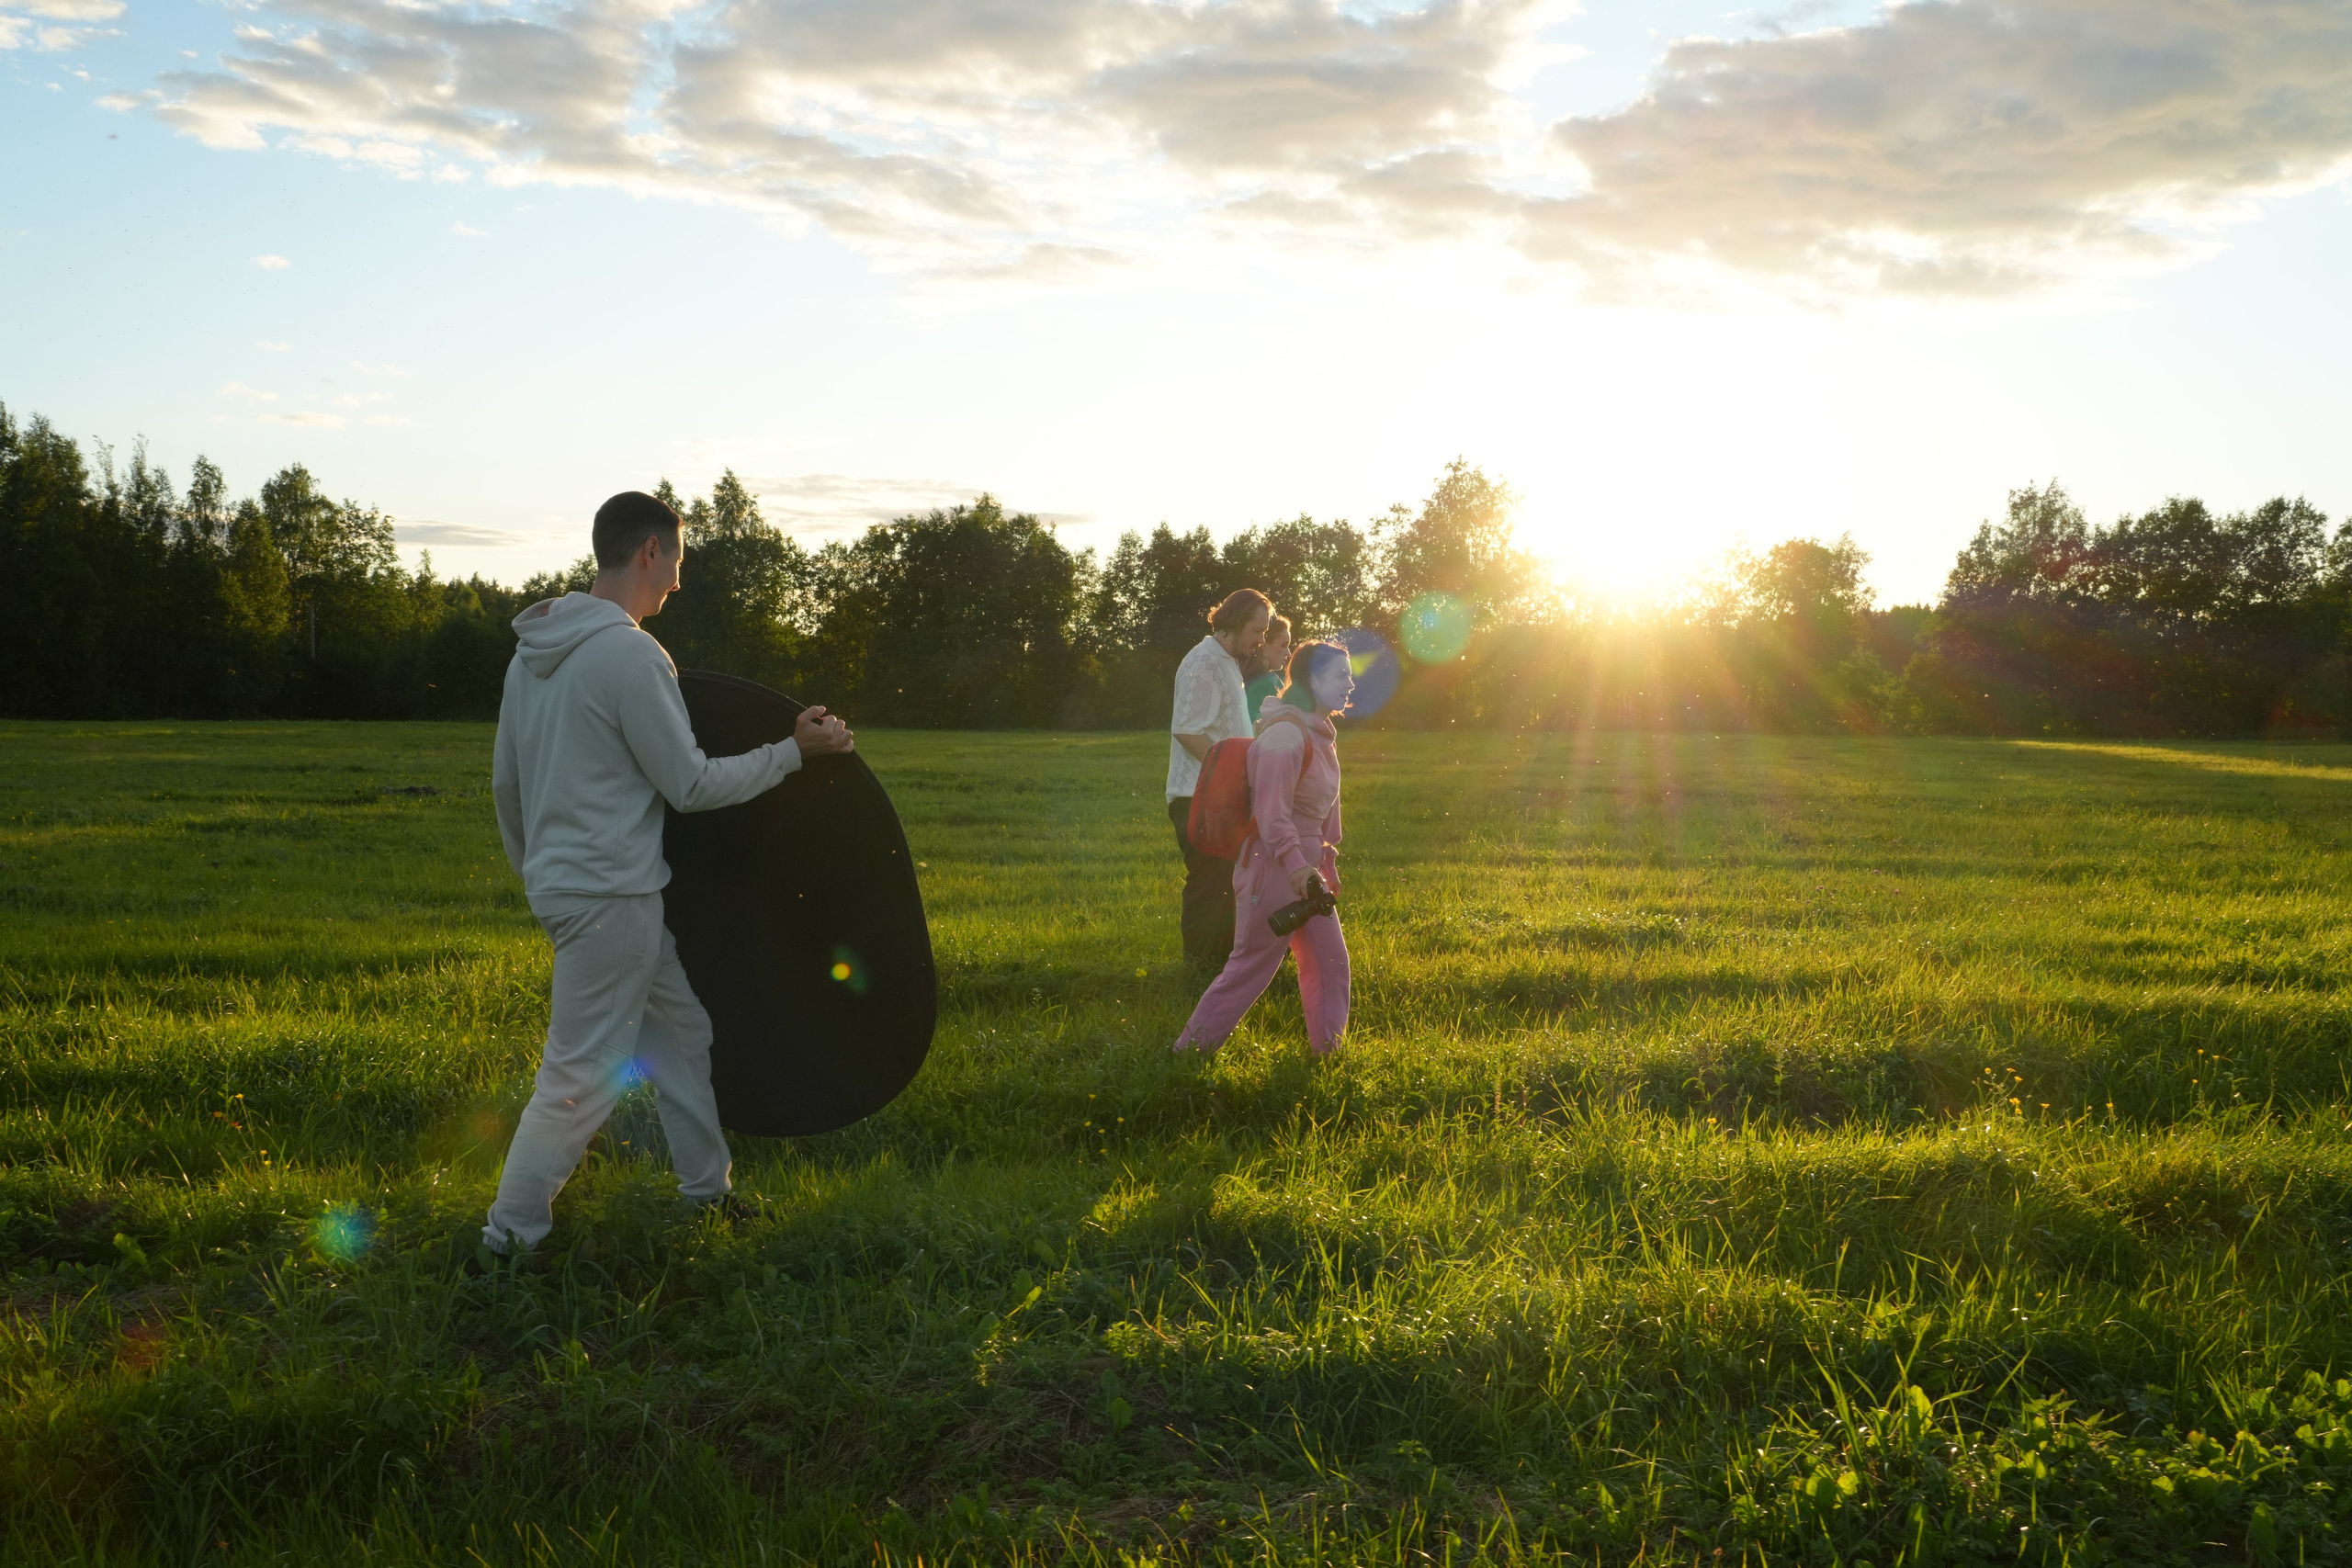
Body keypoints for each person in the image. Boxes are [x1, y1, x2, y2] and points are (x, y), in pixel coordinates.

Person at [483, 490, 855, 1256]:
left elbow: (505, 788)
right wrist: (793, 753)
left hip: (583, 889)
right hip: (612, 893)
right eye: (677, 561)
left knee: (684, 1031)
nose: (678, 582)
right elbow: (689, 785)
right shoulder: (629, 653)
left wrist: (542, 877)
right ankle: (507, 1241)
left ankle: (706, 1195)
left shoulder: (532, 659)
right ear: (649, 550)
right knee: (579, 1074)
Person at [1172, 639, 1353, 1058]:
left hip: (1306, 867)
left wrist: (1326, 863)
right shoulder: (1285, 736)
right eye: (1341, 675)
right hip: (1274, 865)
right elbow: (1272, 817)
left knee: (1330, 964)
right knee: (1249, 967)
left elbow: (1323, 811)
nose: (1350, 684)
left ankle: (1328, 1056)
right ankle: (1187, 1054)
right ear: (1313, 679)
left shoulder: (1320, 734)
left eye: (1349, 675)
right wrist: (1297, 866)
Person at [1167, 589, 1272, 968]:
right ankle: (1197, 973)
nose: (1261, 640)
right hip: (1198, 797)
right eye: (1257, 630)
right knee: (1209, 890)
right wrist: (1225, 778)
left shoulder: (1226, 661)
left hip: (1220, 798)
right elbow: (1186, 729)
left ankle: (1220, 973)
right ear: (1235, 620)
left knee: (1227, 888)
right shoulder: (1205, 662)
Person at [1245, 615, 1292, 728]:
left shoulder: (1273, 679)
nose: (1288, 653)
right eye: (1283, 645)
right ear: (1264, 645)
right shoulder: (1262, 683)